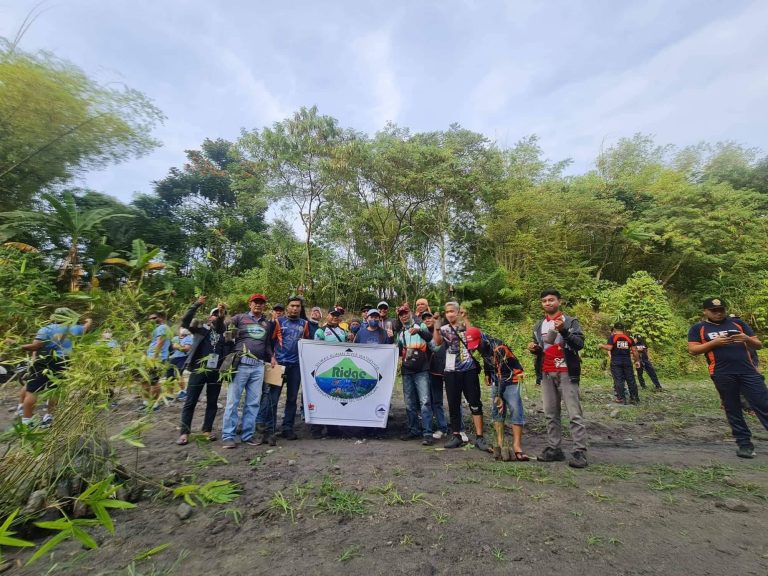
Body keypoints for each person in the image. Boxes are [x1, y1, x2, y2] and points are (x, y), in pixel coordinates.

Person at [688, 298, 768, 459]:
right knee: (733, 408)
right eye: (713, 310)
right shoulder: (699, 328)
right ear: (705, 311)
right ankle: (744, 444)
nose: (718, 313)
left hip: (748, 371)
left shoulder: (738, 324)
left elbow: (758, 344)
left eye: (721, 310)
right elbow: (693, 350)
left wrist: (746, 338)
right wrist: (715, 343)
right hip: (722, 373)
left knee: (763, 404)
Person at [528, 290, 588, 468]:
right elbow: (542, 348)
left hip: (566, 371)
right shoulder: (539, 326)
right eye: (544, 301)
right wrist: (535, 349)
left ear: (559, 302)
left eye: (551, 300)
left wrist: (564, 331)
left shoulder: (570, 321)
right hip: (547, 372)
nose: (548, 303)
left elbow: (580, 343)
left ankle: (580, 452)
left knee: (574, 413)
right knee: (550, 413)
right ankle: (555, 449)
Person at [432, 301, 490, 452]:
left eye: (452, 311)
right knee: (453, 403)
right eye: (447, 311)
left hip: (468, 369)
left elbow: (475, 337)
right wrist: (436, 321)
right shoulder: (444, 328)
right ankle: (456, 435)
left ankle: (479, 437)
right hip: (451, 370)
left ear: (457, 312)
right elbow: (437, 342)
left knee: (475, 402)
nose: (450, 314)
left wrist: (466, 318)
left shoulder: (465, 326)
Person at [20, 308, 92, 427]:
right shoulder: (76, 329)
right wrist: (89, 320)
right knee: (55, 390)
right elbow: (87, 327)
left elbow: (36, 346)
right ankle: (49, 417)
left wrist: (20, 347)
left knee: (33, 391)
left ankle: (27, 421)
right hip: (64, 362)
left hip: (43, 362)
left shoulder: (46, 329)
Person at [221, 293, 273, 449]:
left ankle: (247, 435)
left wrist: (272, 358)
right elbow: (224, 327)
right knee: (232, 401)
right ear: (250, 304)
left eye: (261, 303)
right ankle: (228, 436)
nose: (258, 305)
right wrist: (223, 314)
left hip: (258, 366)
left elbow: (268, 344)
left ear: (264, 306)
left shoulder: (267, 323)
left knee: (253, 403)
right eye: (255, 302)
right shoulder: (240, 318)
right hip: (240, 364)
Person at [176, 296, 230, 445]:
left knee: (212, 402)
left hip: (216, 372)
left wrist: (222, 314)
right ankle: (184, 432)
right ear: (209, 317)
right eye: (214, 313)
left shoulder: (225, 333)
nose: (216, 316)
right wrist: (197, 304)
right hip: (199, 370)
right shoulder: (200, 329)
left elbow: (229, 344)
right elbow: (185, 321)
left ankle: (207, 430)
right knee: (190, 401)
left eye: (218, 314)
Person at [471, 328, 528, 461]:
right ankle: (500, 443)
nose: (476, 348)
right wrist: (486, 373)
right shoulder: (483, 346)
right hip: (497, 377)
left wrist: (498, 396)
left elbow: (502, 373)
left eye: (476, 345)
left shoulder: (498, 347)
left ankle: (517, 446)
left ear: (481, 339)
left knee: (515, 409)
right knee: (497, 412)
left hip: (511, 378)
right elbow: (487, 360)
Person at [260, 296, 311, 443]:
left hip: (296, 366)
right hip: (278, 365)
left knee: (292, 399)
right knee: (272, 398)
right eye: (292, 305)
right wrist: (271, 357)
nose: (295, 308)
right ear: (287, 307)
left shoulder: (305, 324)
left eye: (298, 306)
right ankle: (270, 431)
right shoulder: (277, 322)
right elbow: (268, 342)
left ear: (301, 309)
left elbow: (307, 344)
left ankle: (288, 428)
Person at [396, 304, 434, 445]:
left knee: (425, 402)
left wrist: (418, 331)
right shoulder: (400, 333)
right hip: (406, 370)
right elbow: (398, 352)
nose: (404, 315)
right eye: (401, 314)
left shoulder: (421, 326)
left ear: (410, 313)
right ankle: (413, 430)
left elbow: (430, 339)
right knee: (410, 402)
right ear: (399, 317)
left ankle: (428, 433)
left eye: (405, 313)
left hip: (422, 370)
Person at [600, 323, 641, 404]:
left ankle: (621, 398)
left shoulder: (612, 337)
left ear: (614, 329)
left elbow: (609, 348)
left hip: (616, 361)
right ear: (623, 329)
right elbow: (635, 351)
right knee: (631, 380)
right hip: (627, 361)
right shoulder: (629, 338)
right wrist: (637, 361)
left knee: (618, 380)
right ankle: (634, 398)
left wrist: (601, 346)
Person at [143, 311, 172, 408]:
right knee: (146, 380)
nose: (151, 320)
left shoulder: (162, 327)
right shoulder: (158, 328)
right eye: (150, 318)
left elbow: (160, 342)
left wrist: (155, 357)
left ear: (161, 318)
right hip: (151, 358)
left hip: (156, 359)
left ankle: (154, 405)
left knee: (154, 381)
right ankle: (148, 402)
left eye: (154, 318)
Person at [167, 327, 193, 401]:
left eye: (185, 328)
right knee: (169, 375)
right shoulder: (175, 338)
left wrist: (177, 346)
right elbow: (171, 348)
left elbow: (187, 349)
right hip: (173, 358)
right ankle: (170, 394)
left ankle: (183, 392)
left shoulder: (189, 338)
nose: (183, 329)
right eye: (182, 328)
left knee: (178, 373)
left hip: (183, 358)